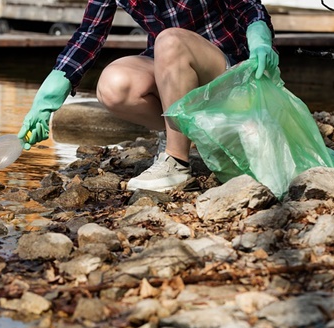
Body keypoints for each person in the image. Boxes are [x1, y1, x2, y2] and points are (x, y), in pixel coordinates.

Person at [18, 0, 279, 192]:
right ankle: (204, 137)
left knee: (169, 40)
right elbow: (88, 35)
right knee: (114, 85)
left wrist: (260, 39)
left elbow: (248, 7)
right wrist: (45, 101)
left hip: (229, 72)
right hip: (172, 70)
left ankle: (176, 161)